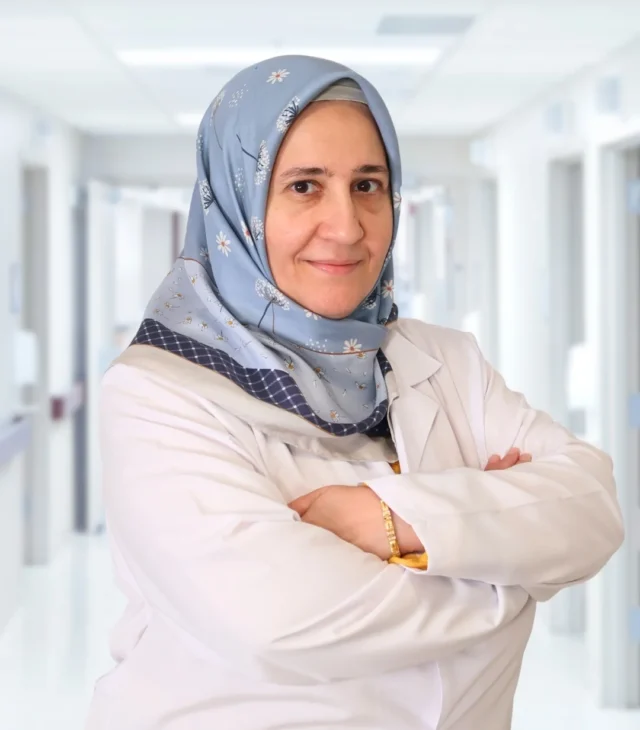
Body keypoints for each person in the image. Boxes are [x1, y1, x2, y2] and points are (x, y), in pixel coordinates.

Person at [85, 55, 624, 730]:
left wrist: (387, 521)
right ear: (236, 205)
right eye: (304, 186)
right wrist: (507, 574)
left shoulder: (445, 361)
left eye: (367, 184)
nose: (346, 227)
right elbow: (278, 622)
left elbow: (592, 507)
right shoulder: (158, 391)